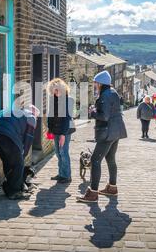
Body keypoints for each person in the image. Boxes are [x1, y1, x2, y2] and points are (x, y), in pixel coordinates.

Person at [77, 71, 127, 203]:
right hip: (116, 131)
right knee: (110, 158)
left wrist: (92, 112)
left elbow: (104, 116)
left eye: (95, 83)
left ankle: (92, 193)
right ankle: (112, 187)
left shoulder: (104, 95)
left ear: (100, 83)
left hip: (107, 132)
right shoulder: (113, 92)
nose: (94, 85)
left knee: (95, 161)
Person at [0, 105, 40, 200]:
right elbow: (28, 139)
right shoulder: (31, 118)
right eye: (37, 117)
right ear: (34, 114)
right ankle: (14, 192)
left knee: (8, 162)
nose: (36, 119)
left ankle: (9, 186)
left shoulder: (16, 111)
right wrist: (22, 157)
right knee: (18, 164)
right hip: (8, 137)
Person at [47, 78, 76, 184]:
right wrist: (50, 129)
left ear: (62, 88)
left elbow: (67, 119)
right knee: (58, 153)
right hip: (56, 130)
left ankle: (67, 176)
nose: (55, 93)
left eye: (57, 90)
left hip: (65, 130)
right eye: (54, 91)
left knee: (64, 152)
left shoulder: (69, 100)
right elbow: (51, 115)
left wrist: (63, 134)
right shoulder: (53, 99)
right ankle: (61, 174)